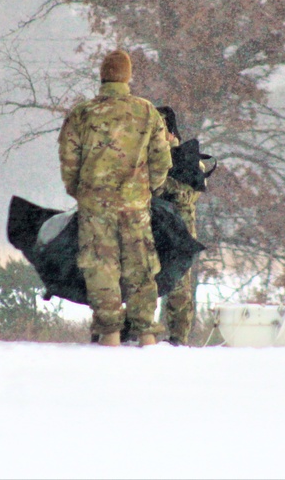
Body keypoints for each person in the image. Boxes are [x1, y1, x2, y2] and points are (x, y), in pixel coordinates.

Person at [58, 50, 172, 347]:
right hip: (135, 206)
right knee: (141, 268)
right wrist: (147, 190)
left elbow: (69, 162)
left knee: (100, 267)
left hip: (95, 207)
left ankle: (110, 334)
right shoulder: (147, 112)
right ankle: (146, 333)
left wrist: (82, 193)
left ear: (102, 76)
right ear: (128, 76)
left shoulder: (82, 114)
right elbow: (161, 161)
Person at [155, 106, 203, 346]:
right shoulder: (150, 157)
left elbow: (188, 194)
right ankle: (135, 329)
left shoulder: (187, 158)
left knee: (179, 288)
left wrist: (163, 186)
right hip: (152, 229)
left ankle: (178, 339)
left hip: (179, 233)